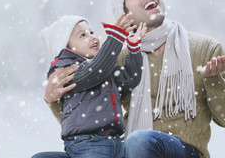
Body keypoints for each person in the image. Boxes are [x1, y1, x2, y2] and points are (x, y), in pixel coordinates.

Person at [37, 0, 225, 158]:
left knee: (139, 142)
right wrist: (52, 97)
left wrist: (214, 80)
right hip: (124, 150)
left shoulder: (205, 48)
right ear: (125, 14)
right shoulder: (118, 58)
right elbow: (85, 116)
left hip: (182, 151)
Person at [35, 14, 147, 158]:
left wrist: (133, 48)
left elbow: (131, 78)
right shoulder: (65, 69)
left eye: (92, 32)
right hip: (88, 142)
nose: (92, 37)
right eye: (82, 35)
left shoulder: (101, 70)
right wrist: (116, 36)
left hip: (113, 142)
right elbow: (95, 71)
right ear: (65, 46)